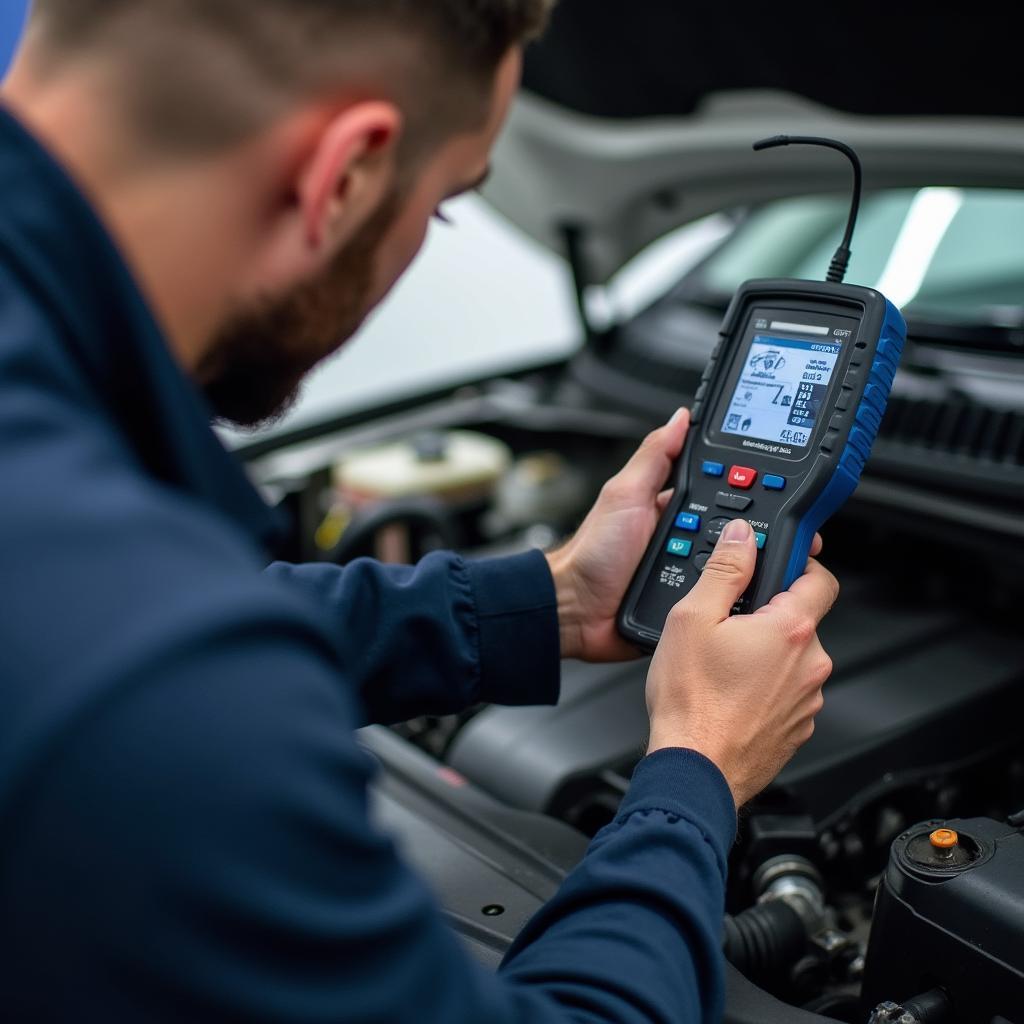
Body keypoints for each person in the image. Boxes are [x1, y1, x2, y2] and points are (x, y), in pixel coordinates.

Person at [0, 2, 837, 1021]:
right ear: (343, 179)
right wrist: (696, 770)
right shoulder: (155, 690)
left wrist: (553, 602)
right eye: (441, 205)